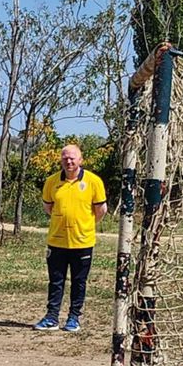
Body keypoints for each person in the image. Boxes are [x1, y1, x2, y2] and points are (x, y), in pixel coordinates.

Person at [34, 143, 107, 333]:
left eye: (72, 157)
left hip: (82, 242)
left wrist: (85, 225)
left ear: (81, 160)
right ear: (61, 160)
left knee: (79, 281)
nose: (69, 161)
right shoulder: (51, 182)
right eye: (65, 157)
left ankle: (74, 318)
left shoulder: (93, 181)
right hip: (57, 241)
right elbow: (48, 207)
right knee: (56, 281)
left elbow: (101, 210)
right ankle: (51, 317)